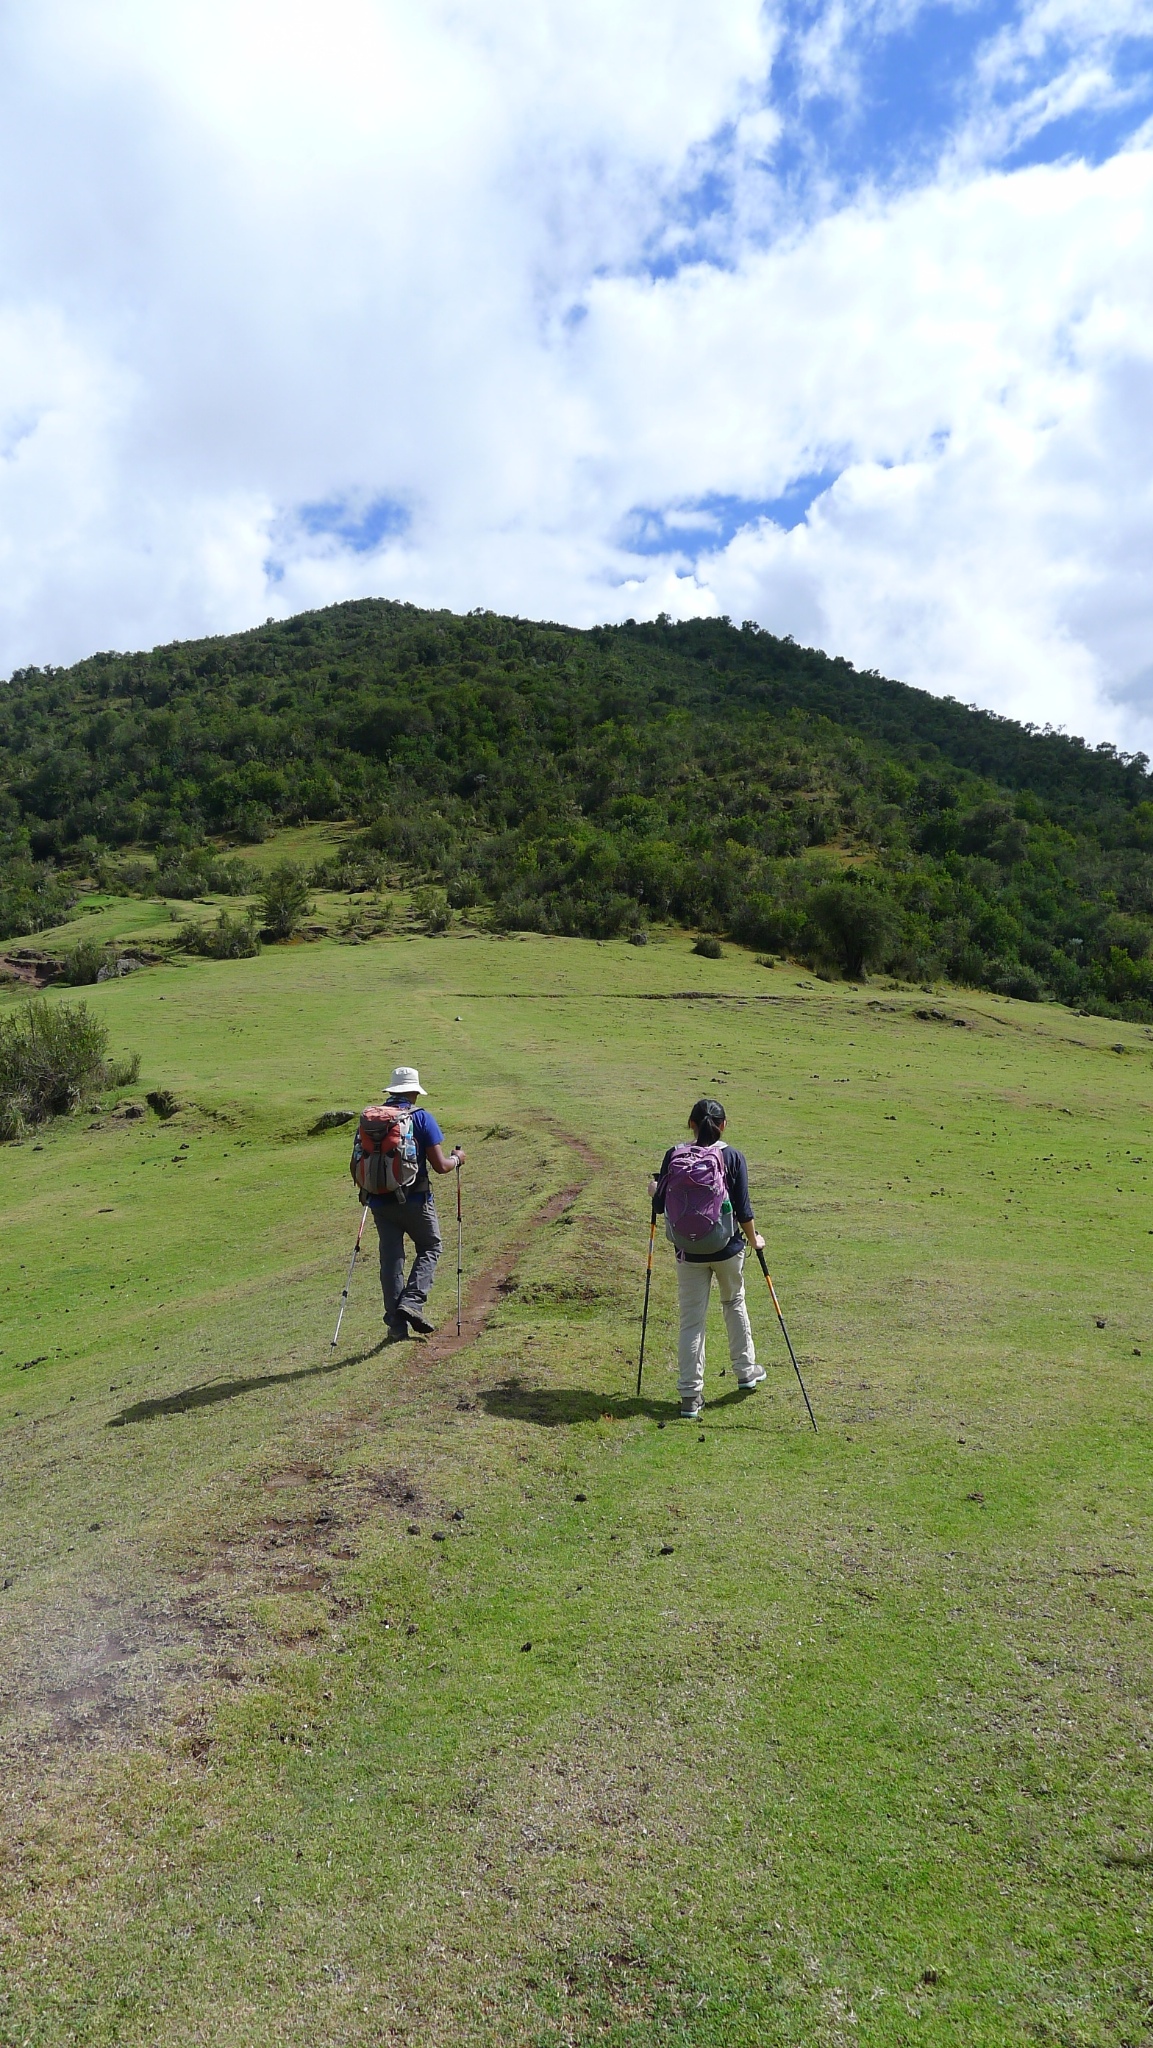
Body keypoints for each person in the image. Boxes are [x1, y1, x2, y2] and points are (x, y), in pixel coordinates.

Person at [649, 1097, 765, 1419]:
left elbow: (660, 1207)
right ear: (724, 1125)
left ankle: (690, 1396)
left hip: (688, 1252)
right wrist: (755, 1240)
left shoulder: (674, 1155)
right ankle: (745, 1372)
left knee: (691, 1321)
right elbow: (743, 1210)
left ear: (691, 1124)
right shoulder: (734, 1158)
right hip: (727, 1249)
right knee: (734, 1303)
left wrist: (653, 1190)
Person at [365, 1065, 465, 1339]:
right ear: (413, 1092)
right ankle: (412, 1302)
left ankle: (396, 1328)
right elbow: (441, 1166)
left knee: (391, 1260)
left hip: (379, 1202)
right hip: (415, 1199)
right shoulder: (421, 1118)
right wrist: (458, 1158)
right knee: (431, 1246)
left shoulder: (373, 1119)